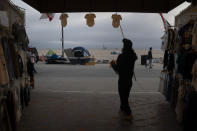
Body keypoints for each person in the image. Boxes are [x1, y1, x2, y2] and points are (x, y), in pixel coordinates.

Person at [110, 38, 137, 118]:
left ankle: (128, 113)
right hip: (129, 80)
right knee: (125, 96)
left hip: (122, 80)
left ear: (124, 47)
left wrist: (113, 64)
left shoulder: (121, 56)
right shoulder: (133, 56)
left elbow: (118, 69)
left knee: (123, 97)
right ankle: (122, 107)